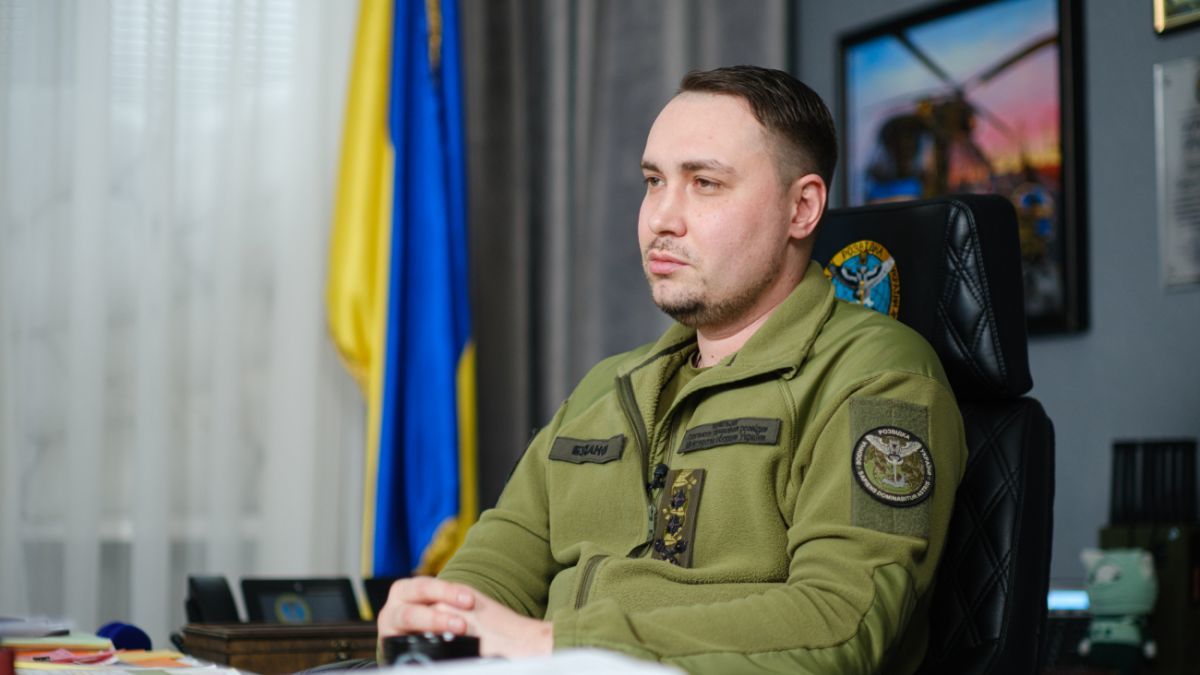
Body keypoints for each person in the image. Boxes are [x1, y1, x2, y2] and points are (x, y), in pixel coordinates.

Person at [376, 65, 967, 674]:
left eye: (704, 183)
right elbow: (498, 565)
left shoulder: (879, 377)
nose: (661, 217)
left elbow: (840, 621)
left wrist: (558, 645)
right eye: (653, 181)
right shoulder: (607, 386)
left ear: (802, 208)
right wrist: (435, 620)